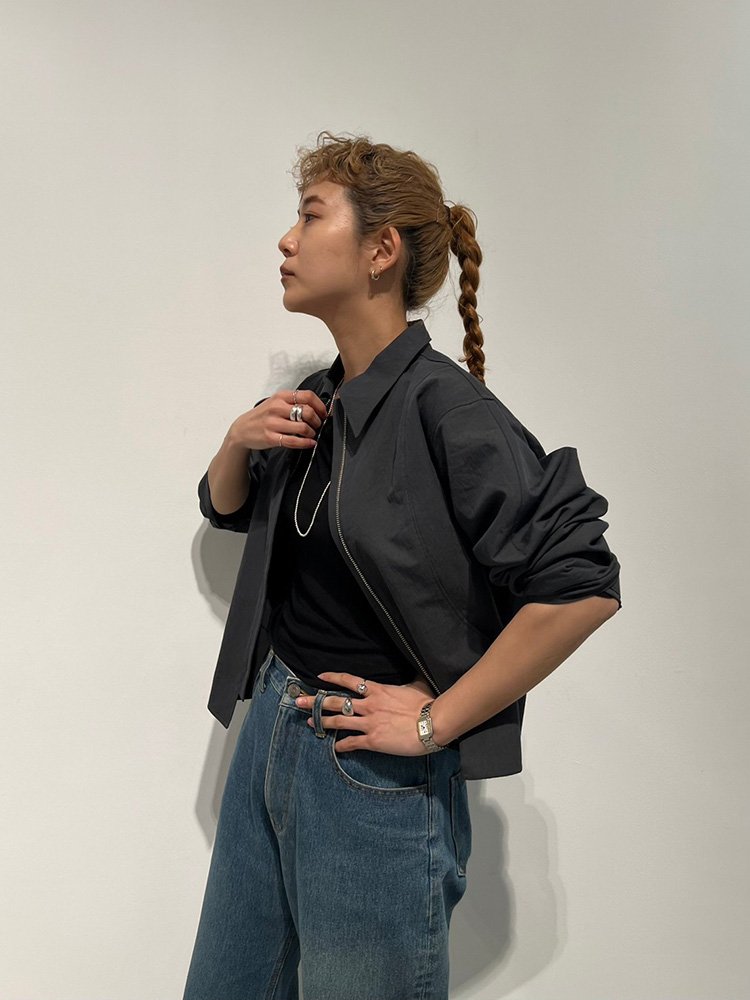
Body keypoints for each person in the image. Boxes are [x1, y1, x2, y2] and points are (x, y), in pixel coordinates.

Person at [182, 131, 621, 1000]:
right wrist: (237, 439)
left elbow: (582, 583)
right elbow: (226, 508)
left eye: (311, 216)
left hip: (371, 780)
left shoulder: (446, 407)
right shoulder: (321, 393)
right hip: (272, 732)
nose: (286, 239)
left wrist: (434, 722)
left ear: (380, 249)